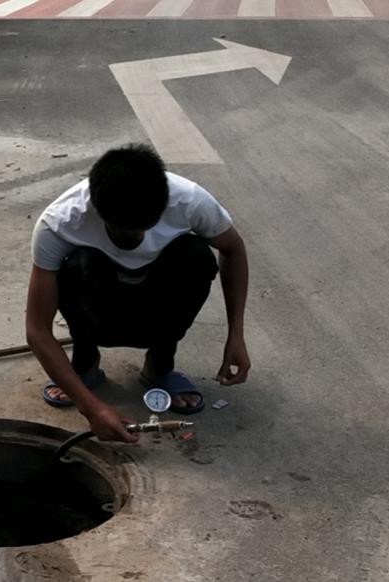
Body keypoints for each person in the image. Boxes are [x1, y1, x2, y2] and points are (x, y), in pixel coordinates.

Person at [25, 144, 252, 444]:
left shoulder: (189, 199)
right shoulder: (60, 222)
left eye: (143, 229)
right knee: (75, 264)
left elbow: (233, 249)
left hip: (157, 301)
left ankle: (159, 366)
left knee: (195, 255)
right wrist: (90, 407)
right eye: (122, 232)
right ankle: (85, 365)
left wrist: (236, 334)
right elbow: (37, 330)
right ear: (95, 208)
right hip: (97, 304)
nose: (134, 240)